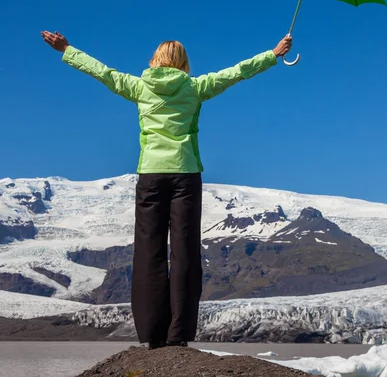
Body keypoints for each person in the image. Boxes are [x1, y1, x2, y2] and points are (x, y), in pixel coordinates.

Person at [41, 30, 292, 348]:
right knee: (185, 253)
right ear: (184, 63)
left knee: (148, 253)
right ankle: (179, 335)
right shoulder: (195, 87)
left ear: (155, 61)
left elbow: (102, 72)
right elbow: (236, 72)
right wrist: (272, 54)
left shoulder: (139, 86)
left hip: (150, 176)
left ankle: (151, 334)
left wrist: (67, 50)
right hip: (186, 174)